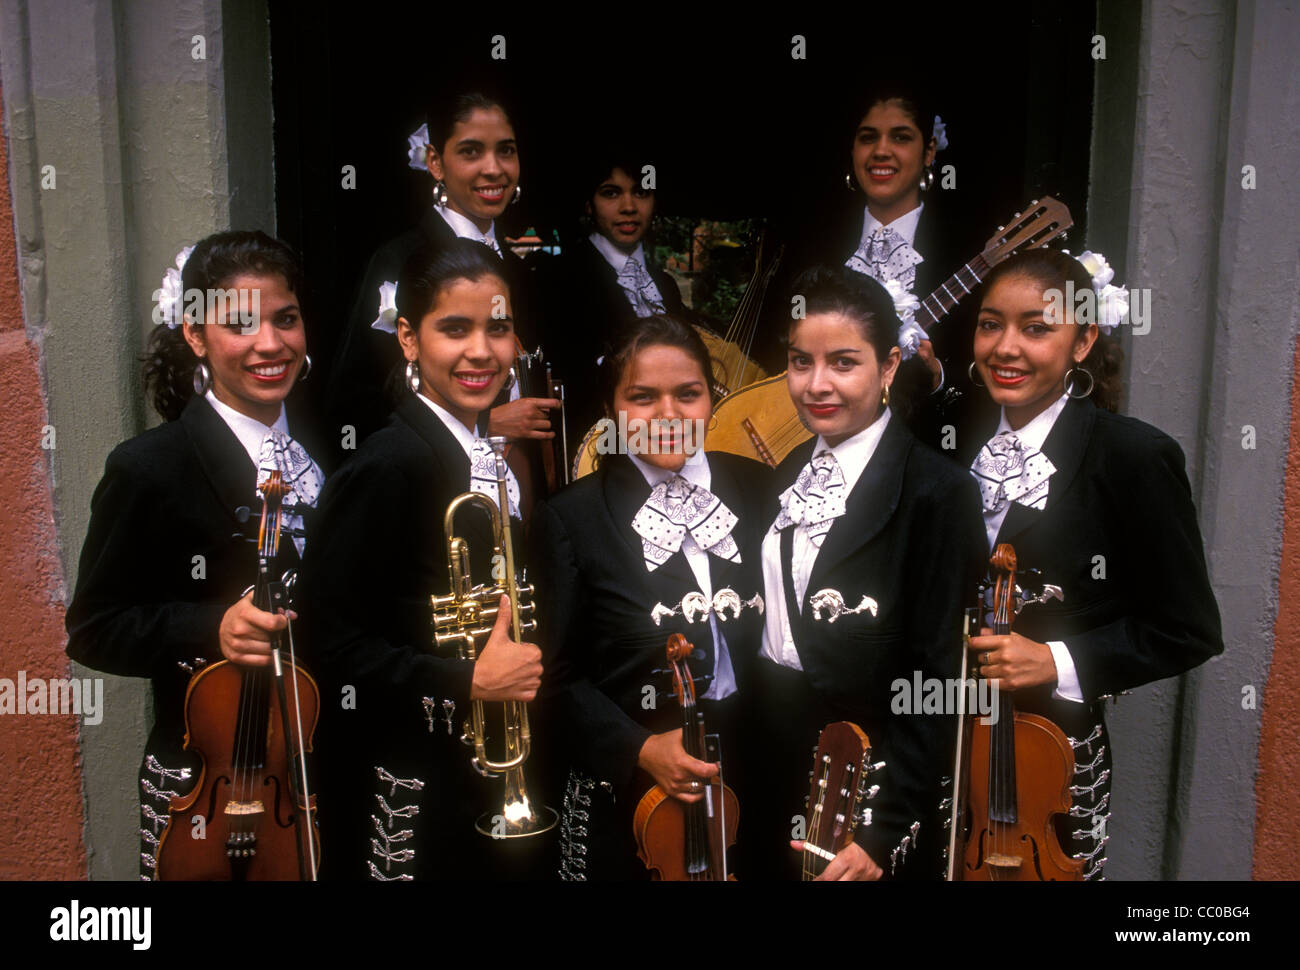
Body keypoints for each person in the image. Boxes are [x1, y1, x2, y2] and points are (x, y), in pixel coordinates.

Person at [65, 231, 328, 879]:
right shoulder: (150, 468)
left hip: (326, 768)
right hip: (212, 787)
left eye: (286, 318)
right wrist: (210, 625)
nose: (270, 343)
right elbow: (94, 629)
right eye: (239, 323)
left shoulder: (337, 442)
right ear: (195, 334)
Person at [958, 247, 1223, 878]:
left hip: (1050, 763)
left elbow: (1187, 629)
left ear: (1083, 342)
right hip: (941, 744)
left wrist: (1054, 660)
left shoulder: (1133, 457)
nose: (1005, 347)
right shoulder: (949, 436)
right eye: (991, 324)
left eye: (1037, 328)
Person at [302, 239, 545, 880]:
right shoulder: (385, 464)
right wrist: (463, 681)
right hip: (414, 780)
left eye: (499, 327)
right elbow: (326, 641)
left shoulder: (492, 454)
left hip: (488, 768)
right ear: (408, 338)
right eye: (454, 329)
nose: (481, 351)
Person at [749, 264, 985, 881]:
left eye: (844, 363)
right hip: (776, 765)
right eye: (802, 362)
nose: (816, 385)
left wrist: (884, 832)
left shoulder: (938, 492)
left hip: (872, 782)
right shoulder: (788, 472)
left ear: (887, 367)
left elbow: (942, 680)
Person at [532, 314, 770, 880]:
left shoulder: (760, 488)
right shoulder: (570, 518)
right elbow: (554, 676)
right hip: (630, 788)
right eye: (642, 396)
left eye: (688, 394)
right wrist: (638, 748)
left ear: (714, 398)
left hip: (754, 769)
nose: (667, 415)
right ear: (613, 408)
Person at [327, 87, 559, 458]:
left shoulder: (521, 269)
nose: (493, 168)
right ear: (435, 162)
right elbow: (354, 404)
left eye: (505, 150)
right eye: (471, 151)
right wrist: (485, 423)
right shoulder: (399, 260)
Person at [539, 151, 685, 456]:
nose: (629, 207)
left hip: (670, 440)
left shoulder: (665, 286)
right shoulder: (558, 278)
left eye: (641, 192)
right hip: (596, 448)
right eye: (611, 193)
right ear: (588, 204)